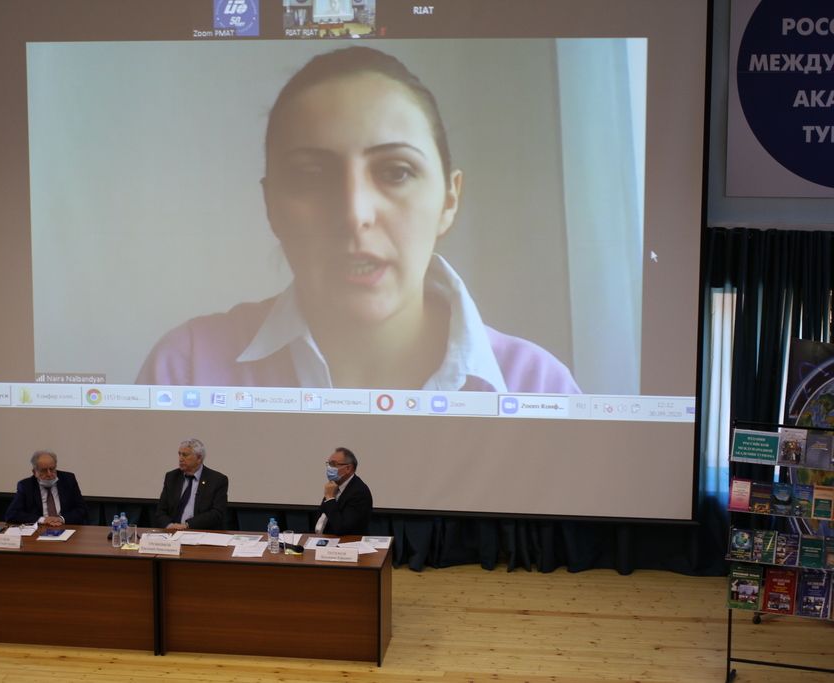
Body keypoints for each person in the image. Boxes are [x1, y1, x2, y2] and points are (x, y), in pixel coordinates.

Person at [137, 46, 579, 394]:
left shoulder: (540, 388)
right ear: (271, 205)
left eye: (396, 173)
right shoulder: (186, 369)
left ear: (449, 198)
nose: (355, 214)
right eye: (311, 176)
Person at [153, 438, 229, 530]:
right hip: (172, 532)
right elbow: (161, 512)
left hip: (201, 532)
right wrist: (170, 526)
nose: (180, 459)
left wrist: (188, 525)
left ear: (199, 458)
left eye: (185, 455)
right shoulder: (172, 477)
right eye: (179, 454)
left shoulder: (217, 480)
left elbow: (217, 513)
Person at [5, 450, 89, 526]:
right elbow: (12, 514)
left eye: (52, 469)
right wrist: (43, 520)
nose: (49, 474)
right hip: (40, 529)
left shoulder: (68, 480)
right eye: (43, 470)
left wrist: (61, 519)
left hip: (65, 527)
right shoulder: (26, 486)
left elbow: (82, 510)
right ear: (34, 472)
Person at [315, 447, 371, 537]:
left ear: (348, 468)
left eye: (334, 464)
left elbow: (341, 528)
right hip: (322, 538)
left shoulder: (359, 492)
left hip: (347, 542)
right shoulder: (334, 486)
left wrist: (330, 499)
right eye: (329, 464)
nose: (329, 468)